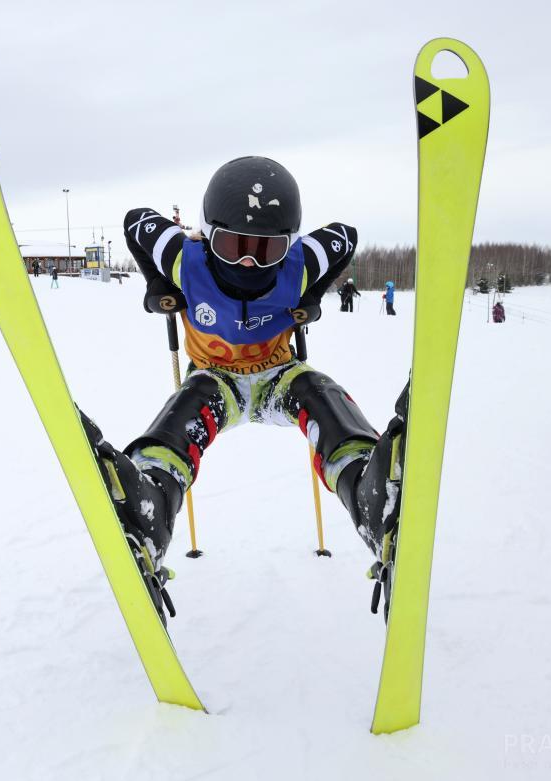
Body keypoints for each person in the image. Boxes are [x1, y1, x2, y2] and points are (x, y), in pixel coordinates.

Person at [83, 155, 408, 620]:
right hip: (217, 379)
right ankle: (149, 502)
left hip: (279, 374)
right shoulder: (185, 259)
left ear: (288, 244)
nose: (249, 260)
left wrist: (311, 297)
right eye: (233, 245)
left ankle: (371, 491)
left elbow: (344, 238)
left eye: (267, 249)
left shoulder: (298, 264)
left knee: (320, 393)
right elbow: (138, 223)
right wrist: (157, 282)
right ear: (207, 234)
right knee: (187, 411)